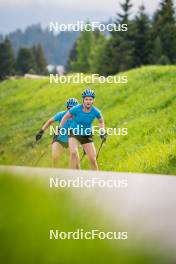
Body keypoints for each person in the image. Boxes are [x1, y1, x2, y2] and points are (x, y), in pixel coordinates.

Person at [58, 88, 106, 170]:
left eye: (90, 99)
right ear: (83, 100)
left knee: (92, 159)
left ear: (93, 100)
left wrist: (102, 132)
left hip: (86, 135)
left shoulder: (96, 111)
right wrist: (60, 128)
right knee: (73, 153)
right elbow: (65, 117)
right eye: (86, 99)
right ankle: (71, 175)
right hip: (74, 133)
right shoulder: (76, 108)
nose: (88, 101)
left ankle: (97, 178)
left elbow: (101, 122)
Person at [35, 98, 78, 167]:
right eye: (69, 108)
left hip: (71, 140)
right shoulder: (61, 114)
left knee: (76, 163)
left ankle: (77, 175)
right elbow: (49, 121)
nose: (70, 111)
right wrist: (41, 131)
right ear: (66, 108)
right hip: (59, 139)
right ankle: (55, 174)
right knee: (55, 157)